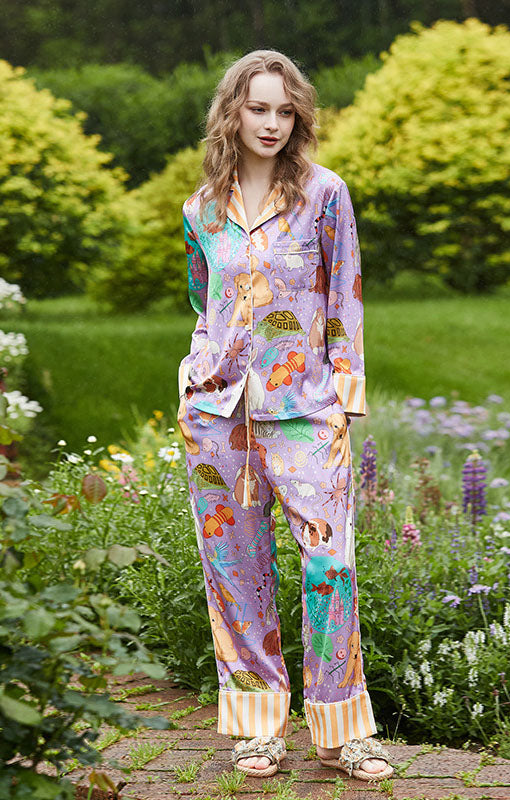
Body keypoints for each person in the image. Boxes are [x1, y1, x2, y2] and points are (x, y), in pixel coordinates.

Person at [176, 49, 393, 782]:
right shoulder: (201, 210)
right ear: (232, 113)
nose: (271, 123)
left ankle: (341, 730)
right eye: (257, 108)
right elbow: (203, 302)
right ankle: (258, 727)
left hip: (306, 410)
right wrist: (194, 375)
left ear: (298, 117)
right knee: (235, 570)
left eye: (284, 110)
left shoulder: (325, 194)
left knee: (330, 564)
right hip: (219, 417)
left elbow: (345, 295)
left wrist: (344, 395)